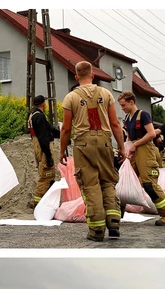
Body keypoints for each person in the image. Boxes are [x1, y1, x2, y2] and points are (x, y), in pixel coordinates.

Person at [59, 61, 126, 242]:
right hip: (104, 142)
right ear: (93, 75)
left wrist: (62, 150)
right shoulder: (106, 93)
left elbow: (65, 129)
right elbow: (115, 124)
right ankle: (113, 223)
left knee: (90, 185)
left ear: (76, 77)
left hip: (82, 143)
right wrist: (121, 147)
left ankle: (96, 230)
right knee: (107, 181)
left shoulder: (70, 97)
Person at [118, 92, 165, 226]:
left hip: (145, 150)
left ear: (131, 102)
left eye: (124, 105)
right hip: (133, 150)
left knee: (149, 184)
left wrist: (135, 145)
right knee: (124, 181)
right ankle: (118, 213)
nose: (122, 108)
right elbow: (129, 137)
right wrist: (126, 150)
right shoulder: (127, 118)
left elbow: (152, 133)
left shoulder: (143, 115)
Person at [28, 95, 61, 209]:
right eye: (45, 102)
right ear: (43, 104)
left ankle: (43, 201)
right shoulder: (39, 117)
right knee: (46, 174)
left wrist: (63, 135)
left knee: (45, 173)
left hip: (37, 145)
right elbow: (43, 137)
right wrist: (49, 156)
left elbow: (49, 129)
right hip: (43, 147)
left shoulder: (33, 115)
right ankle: (38, 203)